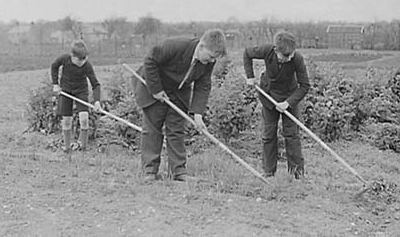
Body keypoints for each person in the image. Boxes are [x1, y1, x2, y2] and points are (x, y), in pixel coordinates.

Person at [132, 29, 227, 182]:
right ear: (201, 46)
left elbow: (203, 85)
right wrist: (156, 90)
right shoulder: (176, 46)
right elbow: (150, 60)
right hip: (154, 84)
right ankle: (149, 170)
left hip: (179, 92)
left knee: (176, 130)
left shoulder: (208, 61)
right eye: (210, 57)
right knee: (152, 128)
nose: (211, 61)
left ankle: (178, 171)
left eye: (213, 59)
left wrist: (197, 114)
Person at [243, 31, 310, 179]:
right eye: (285, 56)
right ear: (276, 50)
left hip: (289, 96)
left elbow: (305, 85)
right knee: (268, 134)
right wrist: (250, 77)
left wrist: (288, 103)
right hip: (269, 96)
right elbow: (247, 53)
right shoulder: (267, 50)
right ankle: (268, 171)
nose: (289, 58)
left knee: (292, 135)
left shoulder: (297, 59)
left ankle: (297, 173)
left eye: (291, 55)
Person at [51, 40, 102, 153]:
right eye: (80, 60)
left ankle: (83, 148)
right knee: (67, 121)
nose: (82, 62)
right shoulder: (64, 59)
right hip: (66, 91)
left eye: (84, 59)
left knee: (84, 119)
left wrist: (97, 101)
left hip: (81, 91)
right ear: (73, 56)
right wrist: (55, 84)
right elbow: (54, 66)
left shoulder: (87, 66)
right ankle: (67, 149)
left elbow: (95, 84)